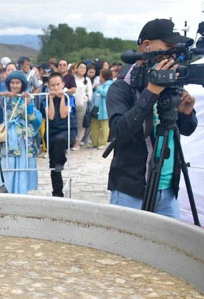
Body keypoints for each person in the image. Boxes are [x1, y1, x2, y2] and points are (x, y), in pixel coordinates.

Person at [106, 18, 197, 219]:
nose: (172, 55)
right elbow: (119, 131)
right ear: (147, 45)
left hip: (168, 191)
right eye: (168, 47)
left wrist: (187, 112)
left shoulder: (171, 82)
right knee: (126, 250)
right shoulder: (121, 87)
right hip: (132, 191)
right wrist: (151, 92)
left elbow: (187, 130)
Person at [0, 71, 41, 194]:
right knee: (8, 162)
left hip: (24, 137)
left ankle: (21, 191)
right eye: (12, 83)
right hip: (10, 136)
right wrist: (2, 93)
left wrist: (28, 105)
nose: (15, 85)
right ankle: (5, 188)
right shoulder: (5, 98)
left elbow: (32, 117)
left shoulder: (28, 97)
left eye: (17, 83)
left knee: (23, 164)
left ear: (22, 84)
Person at [44, 72, 75, 197]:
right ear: (49, 86)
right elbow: (50, 116)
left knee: (60, 140)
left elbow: (63, 114)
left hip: (66, 130)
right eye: (52, 85)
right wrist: (51, 99)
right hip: (51, 131)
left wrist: (62, 97)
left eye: (58, 85)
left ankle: (61, 162)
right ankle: (57, 192)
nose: (55, 88)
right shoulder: (45, 97)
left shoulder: (69, 97)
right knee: (53, 163)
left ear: (63, 85)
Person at [73, 63, 93, 150]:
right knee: (71, 123)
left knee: (80, 123)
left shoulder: (87, 80)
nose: (82, 69)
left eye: (84, 68)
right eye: (80, 67)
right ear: (76, 68)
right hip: (71, 104)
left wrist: (85, 100)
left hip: (82, 105)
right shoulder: (72, 78)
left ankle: (77, 142)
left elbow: (90, 92)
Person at [91, 69, 112, 149]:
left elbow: (105, 93)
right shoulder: (101, 84)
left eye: (100, 75)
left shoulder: (109, 84)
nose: (99, 77)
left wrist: (98, 88)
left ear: (104, 76)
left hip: (104, 108)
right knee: (94, 125)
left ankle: (103, 143)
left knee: (104, 126)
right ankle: (95, 142)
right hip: (96, 108)